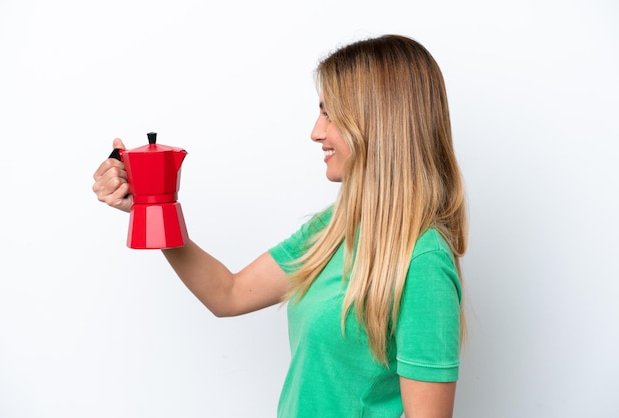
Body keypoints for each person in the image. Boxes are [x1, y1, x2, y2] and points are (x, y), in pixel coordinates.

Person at [92, 34, 467, 418]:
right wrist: (153, 205)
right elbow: (229, 294)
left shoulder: (423, 260)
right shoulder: (332, 230)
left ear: (380, 123)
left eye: (331, 114)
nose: (316, 132)